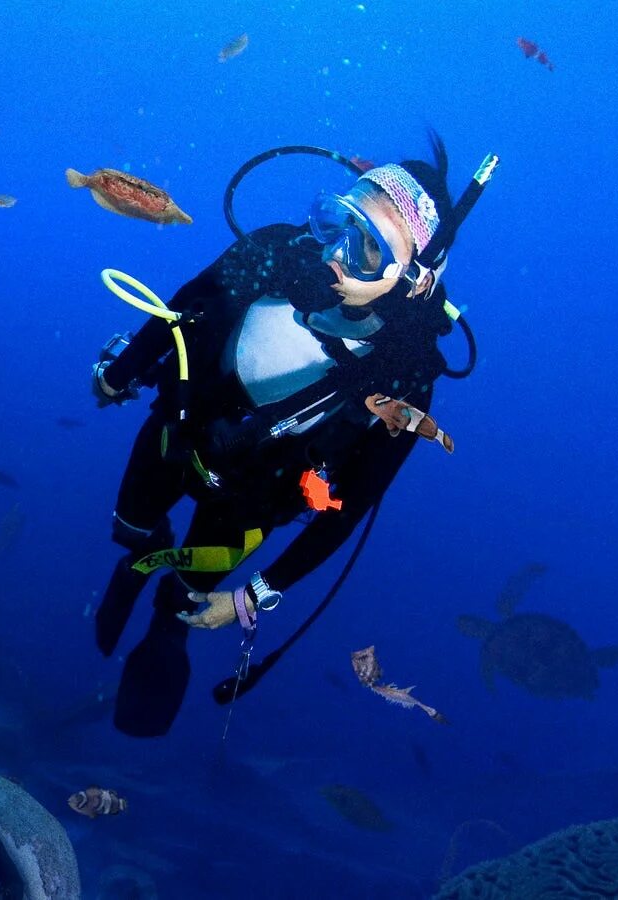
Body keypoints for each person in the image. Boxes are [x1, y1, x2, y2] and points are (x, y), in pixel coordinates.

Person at [90, 135, 471, 738]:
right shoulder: (272, 251)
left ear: (415, 280)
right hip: (175, 435)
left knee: (185, 602)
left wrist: (252, 596)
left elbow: (349, 511)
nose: (333, 257)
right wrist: (120, 374)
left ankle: (166, 627)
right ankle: (138, 556)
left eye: (368, 250)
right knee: (130, 528)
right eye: (335, 222)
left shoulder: (405, 376)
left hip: (253, 504)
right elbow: (180, 310)